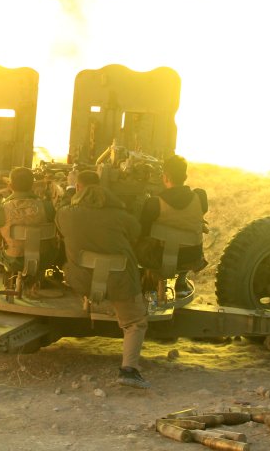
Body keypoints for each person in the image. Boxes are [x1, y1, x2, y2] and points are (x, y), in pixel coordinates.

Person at [55, 170, 151, 390]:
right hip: (120, 281)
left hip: (81, 280)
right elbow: (136, 233)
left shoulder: (66, 214)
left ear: (78, 188)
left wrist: (69, 191)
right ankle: (129, 370)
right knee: (135, 323)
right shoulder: (122, 216)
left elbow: (59, 225)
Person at [138, 155, 208, 298]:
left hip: (158, 257)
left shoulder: (154, 203)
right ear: (185, 176)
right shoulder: (200, 196)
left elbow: (143, 231)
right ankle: (181, 282)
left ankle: (148, 278)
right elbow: (199, 215)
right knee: (190, 236)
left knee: (140, 242)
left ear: (165, 177)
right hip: (191, 257)